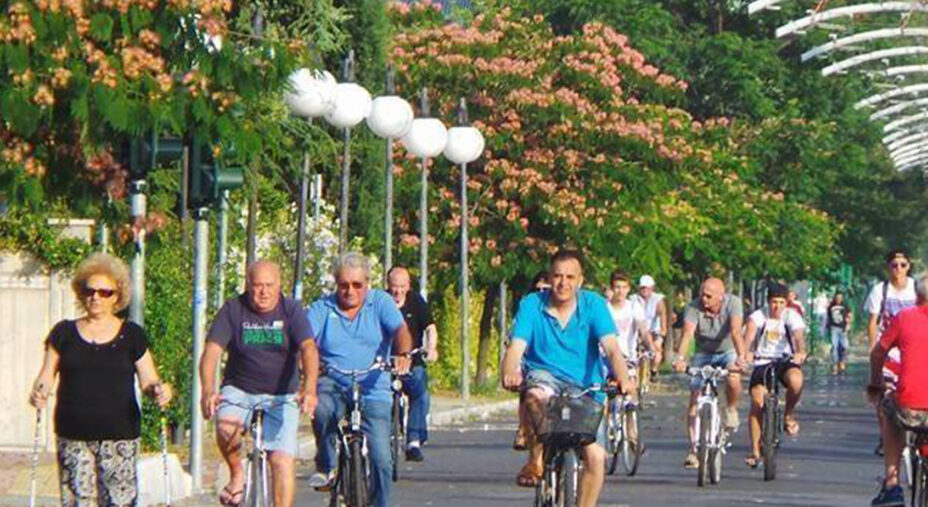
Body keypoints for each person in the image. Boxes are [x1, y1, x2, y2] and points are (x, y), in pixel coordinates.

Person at [28, 253, 173, 506]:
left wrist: (160, 390)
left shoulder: (131, 335)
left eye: (105, 292)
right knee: (78, 502)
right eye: (90, 290)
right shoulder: (63, 333)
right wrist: (39, 392)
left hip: (119, 435)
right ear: (81, 292)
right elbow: (45, 377)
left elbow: (149, 380)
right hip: (73, 433)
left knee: (118, 501)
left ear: (117, 297)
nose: (96, 297)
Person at [501, 249, 634, 507]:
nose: (563, 283)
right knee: (534, 395)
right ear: (549, 278)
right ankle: (537, 457)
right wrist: (510, 372)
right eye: (558, 276)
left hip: (586, 390)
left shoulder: (593, 305)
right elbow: (516, 347)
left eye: (570, 277)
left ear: (580, 280)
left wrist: (624, 378)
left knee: (596, 457)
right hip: (545, 378)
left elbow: (612, 348)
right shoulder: (532, 304)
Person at [199, 260, 318, 507]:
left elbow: (309, 348)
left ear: (279, 285)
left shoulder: (291, 310)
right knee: (226, 428)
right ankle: (237, 475)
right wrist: (208, 390)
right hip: (239, 388)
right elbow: (212, 351)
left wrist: (309, 388)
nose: (263, 292)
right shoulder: (233, 309)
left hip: (281, 394)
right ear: (247, 285)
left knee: (281, 460)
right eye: (257, 285)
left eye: (269, 285)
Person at [307, 252, 412, 507]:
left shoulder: (381, 303)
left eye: (357, 285)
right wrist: (309, 365)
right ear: (336, 284)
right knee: (320, 407)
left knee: (381, 458)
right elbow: (305, 341)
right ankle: (328, 465)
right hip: (333, 380)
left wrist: (402, 353)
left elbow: (400, 331)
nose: (350, 291)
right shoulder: (322, 307)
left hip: (374, 384)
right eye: (344, 285)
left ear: (368, 284)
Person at [867, 273, 928, 507]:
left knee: (888, 407)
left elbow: (878, 352)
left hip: (909, 407)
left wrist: (875, 382)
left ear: (917, 296)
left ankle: (892, 482)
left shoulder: (904, 317)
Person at [673, 277, 747, 468]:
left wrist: (741, 357)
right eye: (702, 295)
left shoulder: (734, 304)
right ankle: (693, 449)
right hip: (704, 352)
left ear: (721, 297)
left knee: (733, 378)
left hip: (727, 350)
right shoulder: (693, 307)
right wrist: (680, 359)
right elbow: (688, 333)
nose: (704, 299)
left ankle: (731, 409)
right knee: (694, 398)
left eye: (709, 296)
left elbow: (737, 332)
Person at [743, 283, 807, 468]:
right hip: (762, 361)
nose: (777, 307)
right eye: (773, 302)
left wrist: (801, 352)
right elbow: (749, 335)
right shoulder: (758, 316)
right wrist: (746, 352)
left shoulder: (791, 316)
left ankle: (788, 415)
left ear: (786, 302)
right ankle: (755, 451)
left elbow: (798, 336)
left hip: (784, 360)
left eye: (781, 302)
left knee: (796, 381)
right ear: (768, 302)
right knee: (757, 402)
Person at [866, 248, 916, 455]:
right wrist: (873, 348)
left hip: (911, 350)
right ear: (888, 268)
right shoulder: (881, 290)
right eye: (894, 265)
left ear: (909, 267)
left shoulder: (916, 289)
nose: (898, 269)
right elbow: (872, 322)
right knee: (883, 395)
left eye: (902, 265)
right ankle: (885, 434)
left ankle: (913, 436)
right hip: (887, 349)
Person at [386, 266, 439, 462]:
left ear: (408, 286)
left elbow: (430, 328)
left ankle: (414, 440)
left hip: (412, 362)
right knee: (381, 395)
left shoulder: (416, 302)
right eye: (394, 287)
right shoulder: (381, 302)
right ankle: (386, 434)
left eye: (402, 287)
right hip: (386, 363)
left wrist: (431, 348)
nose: (397, 291)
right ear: (388, 286)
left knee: (420, 392)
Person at [513, 270, 552, 451]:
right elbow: (515, 339)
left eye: (546, 287)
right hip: (529, 360)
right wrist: (512, 369)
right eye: (539, 288)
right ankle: (523, 430)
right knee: (527, 394)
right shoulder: (529, 307)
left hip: (556, 366)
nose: (542, 291)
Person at [630, 275, 669, 373]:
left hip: (653, 331)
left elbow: (662, 316)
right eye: (642, 287)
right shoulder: (633, 299)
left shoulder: (658, 300)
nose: (644, 290)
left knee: (657, 351)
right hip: (638, 330)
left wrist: (662, 334)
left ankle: (654, 370)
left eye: (647, 287)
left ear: (652, 287)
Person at [827, 292, 852, 374]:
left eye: (840, 298)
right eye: (837, 298)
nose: (838, 299)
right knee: (834, 346)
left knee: (845, 346)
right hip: (834, 328)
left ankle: (841, 361)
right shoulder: (831, 306)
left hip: (843, 328)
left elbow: (849, 315)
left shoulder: (845, 306)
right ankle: (835, 364)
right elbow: (828, 317)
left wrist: (848, 324)